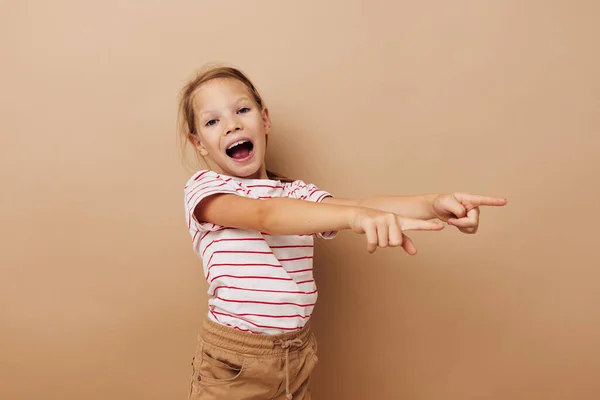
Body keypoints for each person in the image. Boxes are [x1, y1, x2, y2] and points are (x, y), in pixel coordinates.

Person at [178, 65, 507, 400]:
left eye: (242, 110)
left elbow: (361, 203)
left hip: (296, 354)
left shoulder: (298, 194)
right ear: (199, 143)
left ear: (264, 121)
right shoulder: (206, 190)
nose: (232, 124)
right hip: (236, 361)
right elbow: (266, 215)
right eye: (212, 121)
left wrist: (435, 204)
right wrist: (357, 217)